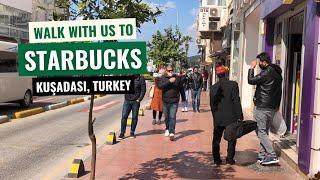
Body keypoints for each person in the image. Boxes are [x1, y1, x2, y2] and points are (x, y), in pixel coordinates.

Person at [248, 52, 283, 165]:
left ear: (264, 62)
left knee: (260, 131)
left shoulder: (267, 72)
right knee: (264, 132)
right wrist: (277, 105)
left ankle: (272, 155)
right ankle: (262, 156)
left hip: (263, 107)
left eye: (259, 63)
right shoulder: (278, 73)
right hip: (272, 108)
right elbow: (279, 91)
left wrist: (251, 68)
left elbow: (251, 80)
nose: (258, 65)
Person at [210, 65, 243, 166]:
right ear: (226, 73)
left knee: (216, 139)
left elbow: (212, 104)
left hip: (218, 117)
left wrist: (215, 116)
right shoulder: (233, 84)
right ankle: (229, 159)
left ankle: (216, 160)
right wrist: (240, 115)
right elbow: (236, 101)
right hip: (231, 117)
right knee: (232, 138)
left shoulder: (213, 87)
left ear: (217, 75)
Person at [158, 65, 186, 141]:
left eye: (171, 70)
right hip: (165, 101)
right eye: (169, 71)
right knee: (166, 117)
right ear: (166, 71)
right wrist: (169, 81)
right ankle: (167, 128)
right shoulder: (163, 78)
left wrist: (183, 98)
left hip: (174, 101)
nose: (170, 72)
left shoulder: (177, 78)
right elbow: (160, 86)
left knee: (172, 116)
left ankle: (172, 132)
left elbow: (181, 88)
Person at [119, 74, 146, 140]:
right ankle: (122, 133)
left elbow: (143, 90)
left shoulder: (141, 79)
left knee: (134, 117)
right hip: (127, 100)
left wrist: (139, 99)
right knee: (124, 116)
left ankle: (132, 132)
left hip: (135, 102)